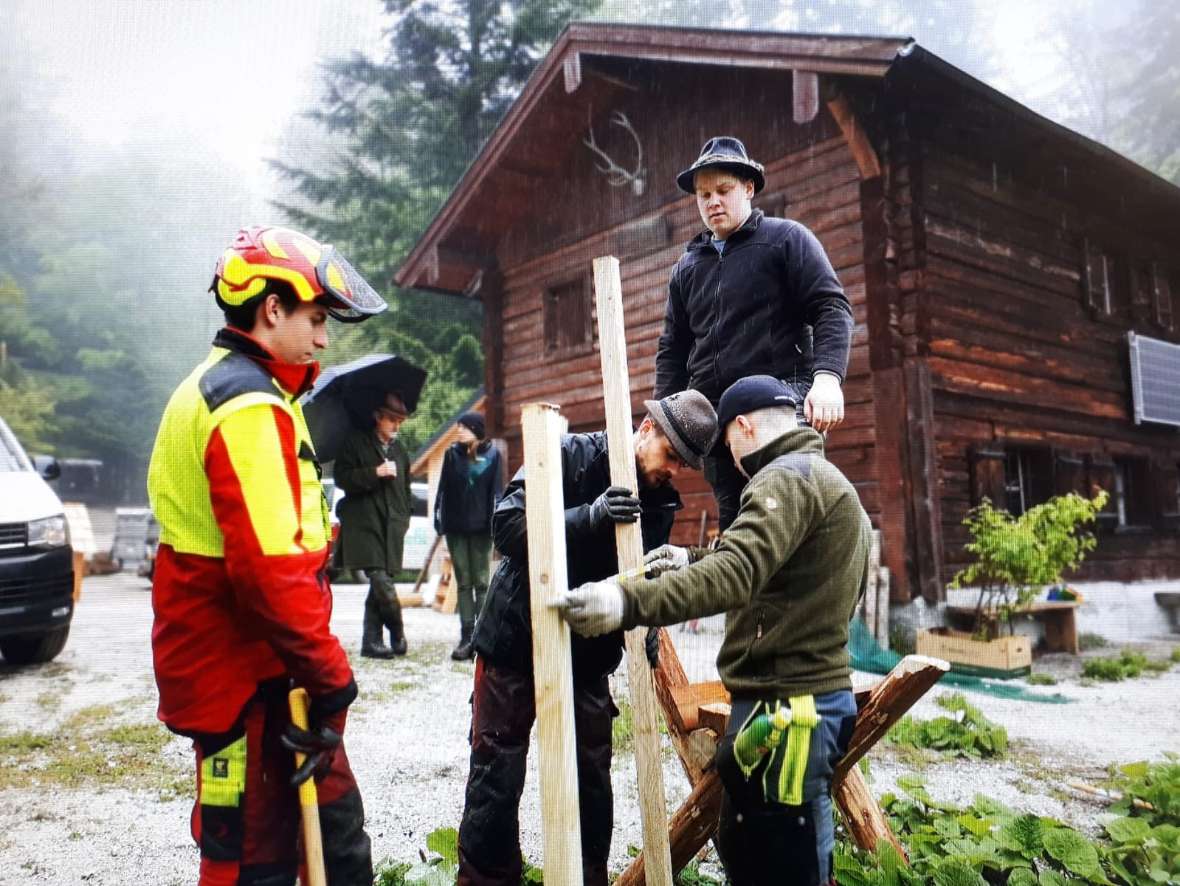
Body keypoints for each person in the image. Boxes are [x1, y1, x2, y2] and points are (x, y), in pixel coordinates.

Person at [553, 375, 872, 886]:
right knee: (747, 841)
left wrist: (624, 601)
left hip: (788, 712)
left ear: (743, 426)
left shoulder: (781, 481)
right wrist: (690, 560)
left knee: (787, 866)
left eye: (728, 447)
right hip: (802, 703)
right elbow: (778, 574)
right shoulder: (830, 483)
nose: (733, 462)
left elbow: (737, 575)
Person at [147, 225, 386, 885]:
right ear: (270, 308)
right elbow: (271, 573)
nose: (323, 337)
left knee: (331, 839)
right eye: (315, 318)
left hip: (269, 669)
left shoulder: (236, 390)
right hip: (243, 674)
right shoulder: (246, 404)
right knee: (251, 861)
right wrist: (334, 679)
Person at [457, 390, 718, 886]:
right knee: (497, 773)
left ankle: (585, 877)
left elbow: (642, 576)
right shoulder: (566, 453)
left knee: (591, 780)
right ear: (645, 430)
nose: (676, 471)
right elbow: (506, 527)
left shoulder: (659, 500)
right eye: (672, 456)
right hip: (516, 638)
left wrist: (647, 624)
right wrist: (587, 517)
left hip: (589, 652)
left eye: (686, 464)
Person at [655, 136, 855, 530]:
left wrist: (828, 378)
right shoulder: (686, 269)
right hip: (715, 424)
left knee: (790, 519)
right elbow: (672, 350)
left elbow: (831, 307)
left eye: (724, 190)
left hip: (782, 406)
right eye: (704, 194)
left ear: (748, 188)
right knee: (737, 530)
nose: (713, 201)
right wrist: (666, 418)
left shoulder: (786, 240)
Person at [334, 392, 414, 658]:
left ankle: (371, 642)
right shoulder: (355, 442)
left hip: (392, 526)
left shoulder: (400, 451)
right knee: (381, 581)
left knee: (379, 586)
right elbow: (342, 478)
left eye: (400, 421)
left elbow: (406, 488)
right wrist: (374, 473)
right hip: (364, 525)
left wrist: (405, 518)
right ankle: (398, 631)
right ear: (378, 417)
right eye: (392, 419)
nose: (396, 426)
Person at [433, 410, 504, 661]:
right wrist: (438, 518)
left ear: (476, 430)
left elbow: (497, 492)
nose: (459, 430)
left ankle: (482, 638)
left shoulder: (494, 455)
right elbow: (442, 490)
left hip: (482, 529)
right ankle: (466, 636)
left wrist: (496, 525)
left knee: (482, 582)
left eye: (464, 427)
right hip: (456, 528)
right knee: (463, 582)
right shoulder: (452, 455)